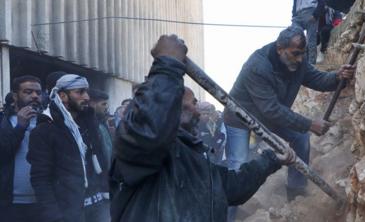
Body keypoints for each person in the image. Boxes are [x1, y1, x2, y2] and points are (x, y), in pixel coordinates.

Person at [110, 34, 296, 222]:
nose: (199, 112)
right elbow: (151, 129)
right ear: (173, 107)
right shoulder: (140, 148)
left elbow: (230, 187)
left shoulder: (192, 154)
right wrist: (167, 66)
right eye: (193, 103)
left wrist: (271, 159)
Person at [223, 26, 355, 202]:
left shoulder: (297, 61)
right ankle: (228, 213)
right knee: (238, 165)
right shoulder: (258, 66)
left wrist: (337, 77)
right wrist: (309, 124)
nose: (300, 59)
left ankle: (296, 191)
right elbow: (271, 110)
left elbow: (317, 79)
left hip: (269, 114)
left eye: (302, 53)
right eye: (295, 54)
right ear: (280, 49)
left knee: (300, 138)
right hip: (240, 118)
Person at [28, 74, 109, 222]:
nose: (86, 97)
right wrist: (54, 216)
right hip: (68, 213)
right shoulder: (45, 130)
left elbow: (101, 161)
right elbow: (40, 179)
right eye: (79, 92)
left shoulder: (90, 124)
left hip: (98, 208)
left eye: (87, 92)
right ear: (63, 96)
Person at [0, 76, 42, 222]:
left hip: (42, 202)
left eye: (38, 92)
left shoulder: (48, 121)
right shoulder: (3, 121)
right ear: (14, 96)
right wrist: (20, 127)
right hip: (10, 203)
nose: (35, 96)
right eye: (28, 92)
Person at [291, 0, 326, 64]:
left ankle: (311, 65)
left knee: (311, 40)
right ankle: (297, 63)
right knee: (295, 38)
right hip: (298, 15)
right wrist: (293, 15)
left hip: (310, 13)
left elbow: (321, 1)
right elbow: (295, 1)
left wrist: (315, 15)